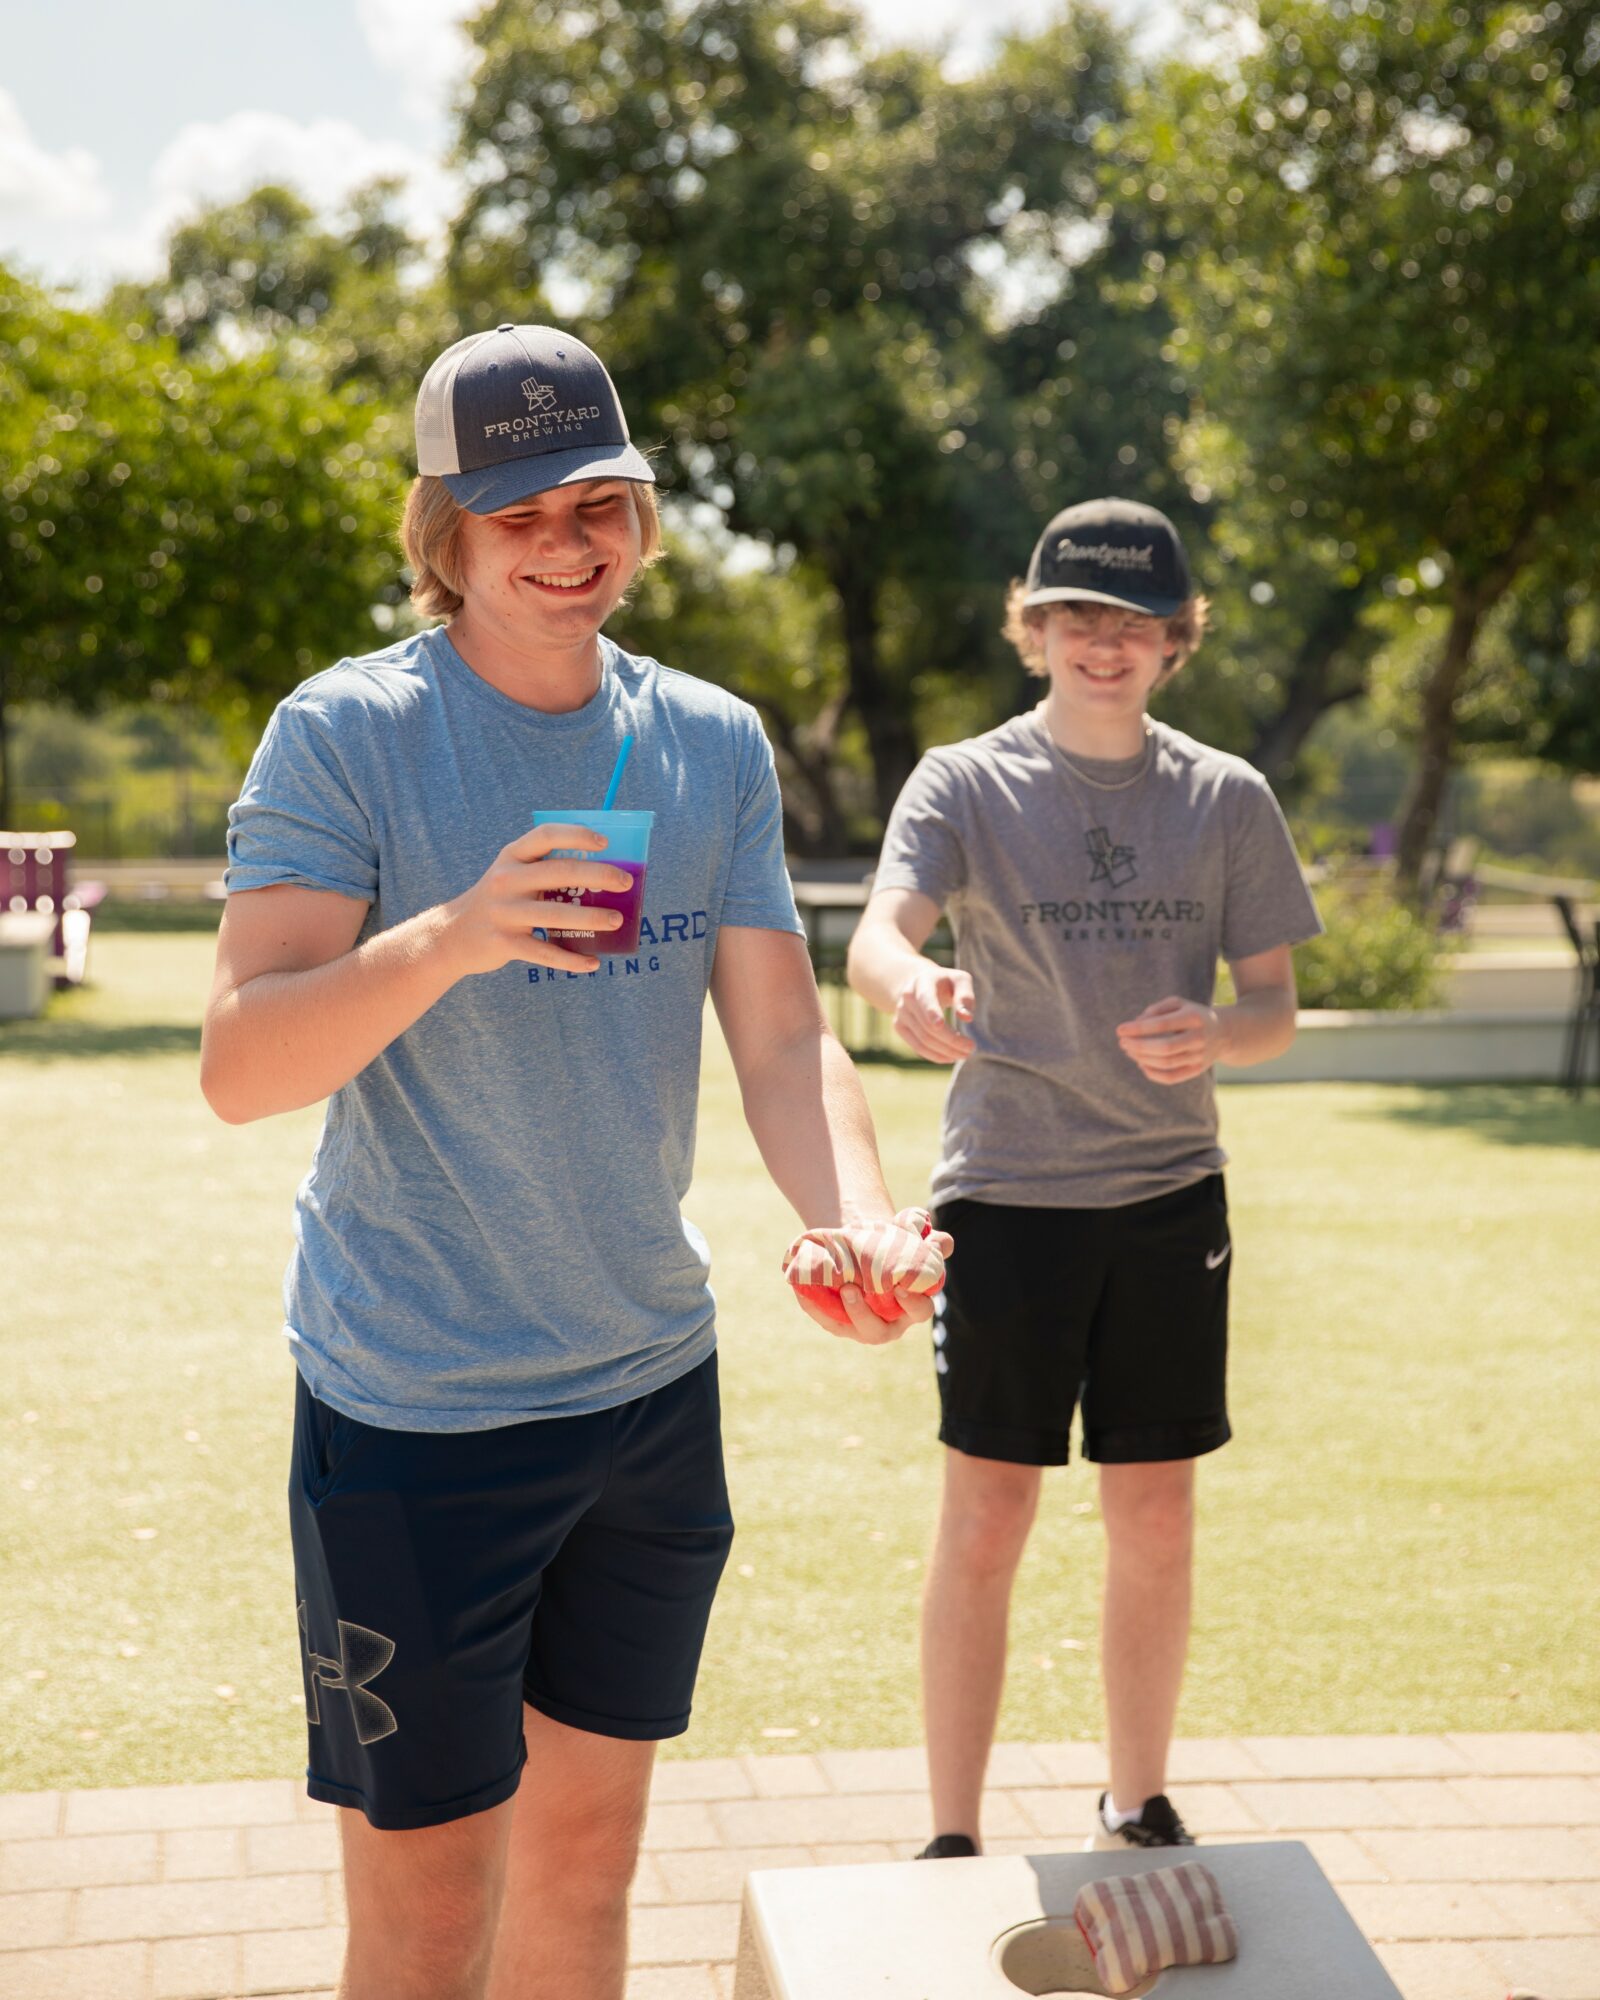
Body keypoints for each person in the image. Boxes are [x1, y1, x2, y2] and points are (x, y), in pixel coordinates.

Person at [200, 323, 944, 2000]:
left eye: (599, 502)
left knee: (591, 1866)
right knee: (425, 1912)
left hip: (645, 1390)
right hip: (416, 1413)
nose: (568, 543)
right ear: (444, 534)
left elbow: (777, 1035)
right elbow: (241, 1064)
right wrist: (452, 938)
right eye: (522, 513)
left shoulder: (709, 742)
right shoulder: (346, 736)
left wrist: (861, 1225)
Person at [847, 497, 1322, 1858]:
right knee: (988, 1513)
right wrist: (911, 983)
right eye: (1075, 620)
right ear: (1032, 629)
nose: (1102, 646)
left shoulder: (1226, 795)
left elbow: (1275, 1002)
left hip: (1171, 1203)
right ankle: (950, 1833)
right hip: (1003, 1194)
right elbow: (881, 934)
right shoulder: (962, 781)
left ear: (1175, 642)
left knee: (1155, 1510)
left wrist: (1220, 1033)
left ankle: (1135, 1797)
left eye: (1132, 625)